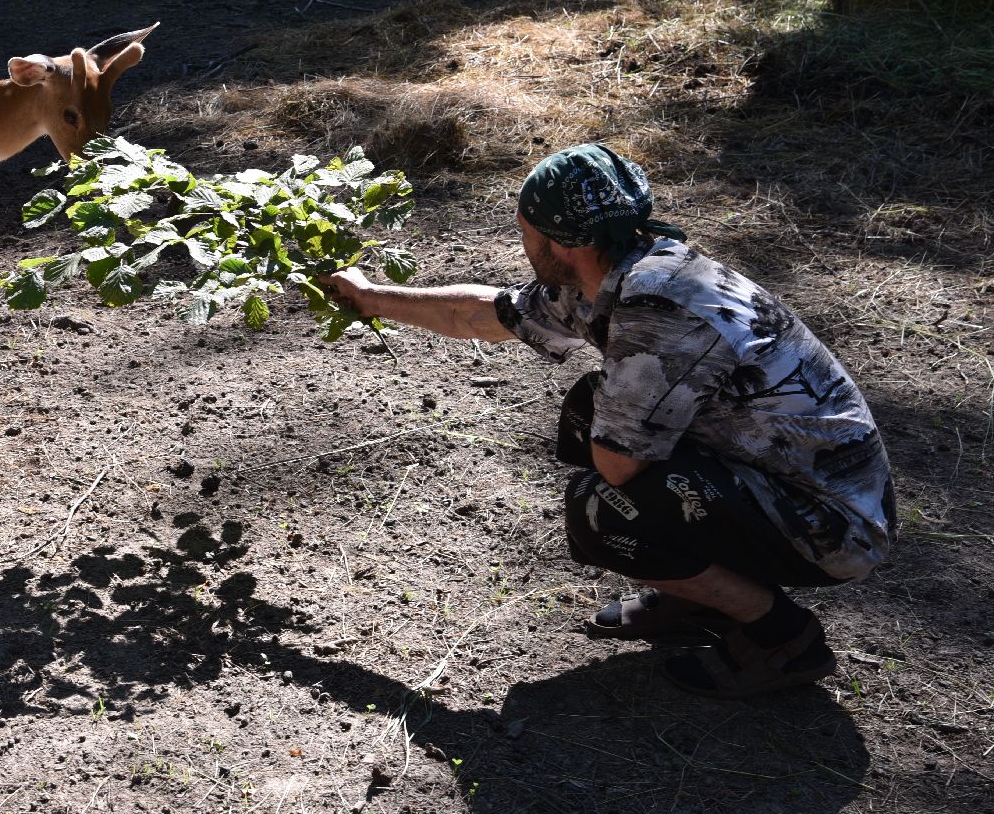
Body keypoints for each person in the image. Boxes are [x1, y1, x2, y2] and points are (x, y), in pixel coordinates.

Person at [325, 143, 896, 699]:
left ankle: (782, 638)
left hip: (831, 526)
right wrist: (372, 297)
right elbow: (482, 313)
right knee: (590, 411)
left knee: (604, 509)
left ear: (560, 243)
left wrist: (611, 445)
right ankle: (701, 597)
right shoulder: (622, 269)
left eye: (525, 230)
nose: (521, 243)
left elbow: (622, 466)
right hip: (781, 475)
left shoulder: (659, 312)